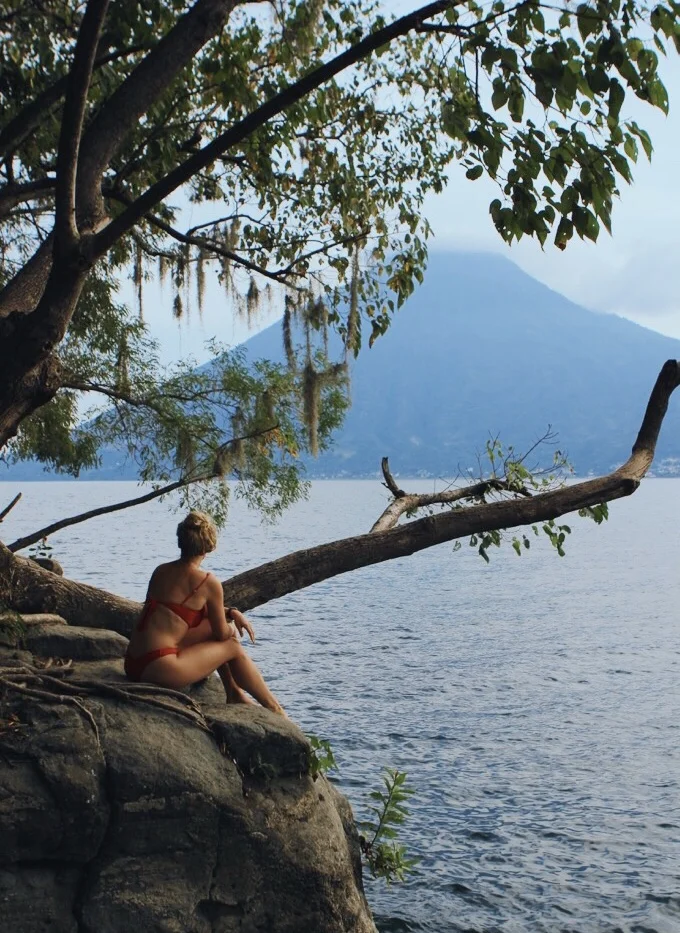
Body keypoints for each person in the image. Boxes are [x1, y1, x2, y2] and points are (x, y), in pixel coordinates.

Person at [124, 510, 285, 715]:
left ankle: (233, 692)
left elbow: (181, 614)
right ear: (209, 545)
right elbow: (222, 634)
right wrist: (231, 625)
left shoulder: (160, 570)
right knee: (232, 644)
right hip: (160, 669)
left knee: (214, 628)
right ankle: (275, 709)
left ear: (181, 540)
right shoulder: (207, 582)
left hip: (133, 663)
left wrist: (232, 612)